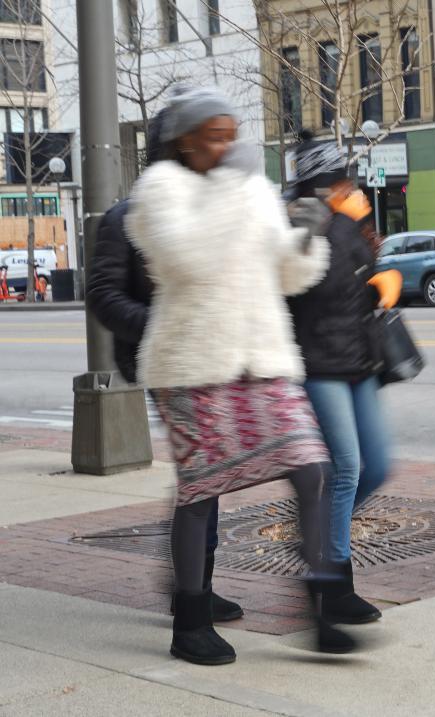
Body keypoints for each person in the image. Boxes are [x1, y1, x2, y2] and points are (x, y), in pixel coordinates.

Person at [127, 86, 356, 664]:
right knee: (202, 490)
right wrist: (236, 185)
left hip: (263, 357)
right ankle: (190, 620)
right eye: (215, 135)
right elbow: (189, 258)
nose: (228, 146)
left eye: (233, 135)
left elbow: (284, 274)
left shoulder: (249, 188)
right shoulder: (160, 190)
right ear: (186, 140)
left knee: (312, 468)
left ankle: (323, 605)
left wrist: (304, 235)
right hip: (191, 364)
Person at [87, 110, 244, 624]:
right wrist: (166, 323)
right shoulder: (127, 217)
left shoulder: (201, 210)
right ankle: (189, 601)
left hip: (208, 358)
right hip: (165, 363)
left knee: (207, 477)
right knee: (201, 477)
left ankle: (194, 584)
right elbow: (104, 296)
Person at [286, 133, 401, 625]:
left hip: (359, 359)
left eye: (345, 177)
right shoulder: (296, 221)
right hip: (317, 362)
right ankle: (332, 582)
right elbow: (293, 286)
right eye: (336, 179)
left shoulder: (351, 219)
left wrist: (383, 282)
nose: (345, 185)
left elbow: (363, 277)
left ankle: (318, 532)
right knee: (347, 467)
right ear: (317, 183)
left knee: (376, 465)